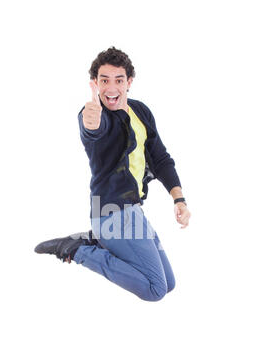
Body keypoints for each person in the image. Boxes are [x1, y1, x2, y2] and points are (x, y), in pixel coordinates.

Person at [34, 46, 191, 301]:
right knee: (155, 289)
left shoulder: (140, 112)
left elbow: (161, 159)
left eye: (118, 80)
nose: (111, 88)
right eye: (104, 80)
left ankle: (97, 241)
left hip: (132, 211)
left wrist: (179, 198)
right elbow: (94, 131)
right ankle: (78, 250)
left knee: (169, 283)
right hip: (111, 211)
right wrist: (91, 123)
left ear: (129, 82)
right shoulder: (95, 115)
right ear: (94, 83)